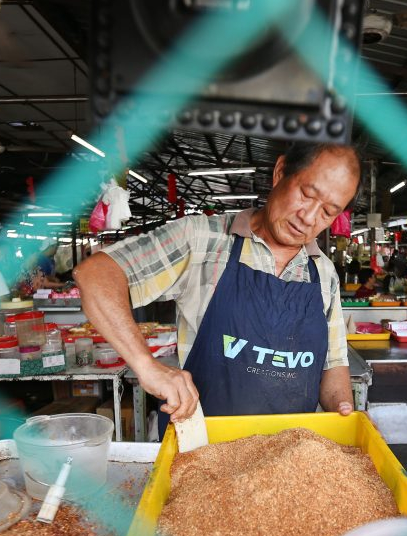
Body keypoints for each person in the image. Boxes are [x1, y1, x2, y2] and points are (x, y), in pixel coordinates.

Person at [74, 142, 362, 423]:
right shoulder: (201, 241)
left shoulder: (323, 274)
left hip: (288, 457)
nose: (308, 218)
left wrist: (345, 412)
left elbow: (332, 364)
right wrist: (147, 366)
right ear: (280, 172)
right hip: (206, 453)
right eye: (306, 194)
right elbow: (95, 275)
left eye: (327, 212)